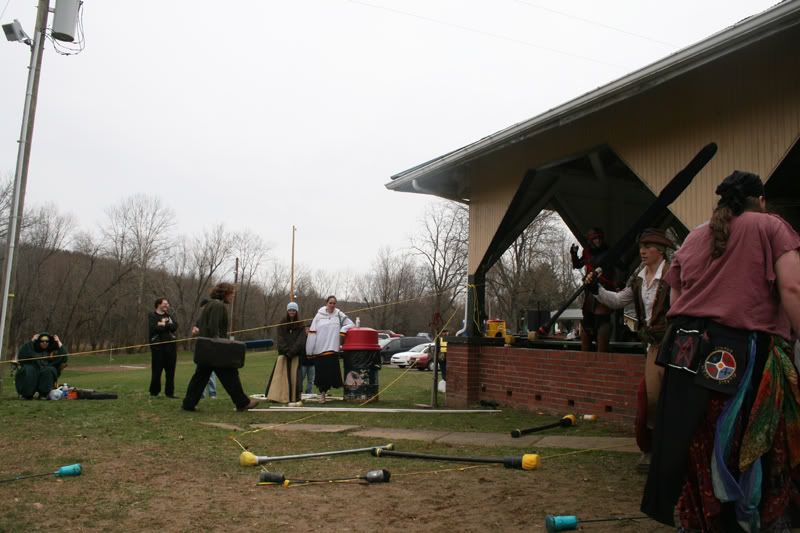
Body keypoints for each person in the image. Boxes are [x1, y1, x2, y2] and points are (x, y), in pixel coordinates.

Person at [641, 171, 800, 531]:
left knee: (694, 437)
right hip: (740, 351)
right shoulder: (770, 225)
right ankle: (743, 518)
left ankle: (698, 519)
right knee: (746, 440)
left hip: (684, 346)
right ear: (759, 200)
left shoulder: (695, 236)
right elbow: (792, 289)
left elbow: (677, 298)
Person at [588, 227, 674, 472]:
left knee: (670, 398)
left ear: (661, 250)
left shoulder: (672, 275)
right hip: (655, 346)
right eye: (640, 247)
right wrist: (596, 290)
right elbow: (617, 301)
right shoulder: (638, 280)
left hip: (676, 344)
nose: (643, 251)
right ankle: (653, 449)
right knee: (651, 398)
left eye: (648, 247)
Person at [182, 282, 258, 412]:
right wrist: (221, 345)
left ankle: (188, 404)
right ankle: (242, 402)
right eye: (232, 293)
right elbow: (213, 328)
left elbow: (200, 324)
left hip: (206, 349)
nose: (233, 296)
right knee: (230, 374)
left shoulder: (209, 304)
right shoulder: (217, 305)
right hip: (215, 349)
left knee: (200, 377)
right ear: (225, 293)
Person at [571, 227, 618, 352]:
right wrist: (574, 254)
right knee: (586, 325)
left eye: (599, 238)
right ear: (590, 241)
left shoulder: (609, 252)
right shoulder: (587, 252)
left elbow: (618, 268)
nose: (597, 241)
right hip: (589, 291)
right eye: (594, 239)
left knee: (603, 327)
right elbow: (577, 265)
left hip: (603, 289)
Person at [305, 295, 354, 403]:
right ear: (326, 303)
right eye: (330, 303)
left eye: (334, 303)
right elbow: (312, 333)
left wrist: (342, 330)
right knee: (321, 375)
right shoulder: (318, 316)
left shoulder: (339, 315)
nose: (332, 305)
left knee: (331, 374)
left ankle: (342, 395)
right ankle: (322, 395)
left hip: (332, 349)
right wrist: (309, 351)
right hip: (319, 350)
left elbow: (351, 324)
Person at [265, 301, 305, 403]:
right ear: (287, 311)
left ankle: (294, 397)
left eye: (294, 310)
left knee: (295, 378)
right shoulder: (282, 324)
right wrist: (286, 351)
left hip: (295, 356)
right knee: (280, 377)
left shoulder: (301, 325)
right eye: (290, 310)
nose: (292, 312)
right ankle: (277, 396)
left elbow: (301, 341)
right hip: (284, 355)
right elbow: (280, 339)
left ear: (296, 311)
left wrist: (292, 352)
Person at [14, 332, 68, 400]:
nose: (44, 343)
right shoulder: (32, 348)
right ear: (38, 342)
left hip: (47, 370)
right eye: (42, 341)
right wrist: (32, 341)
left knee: (49, 370)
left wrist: (58, 342)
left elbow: (64, 358)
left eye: (47, 341)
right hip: (34, 370)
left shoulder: (52, 351)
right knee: (28, 369)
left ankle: (44, 394)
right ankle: (27, 394)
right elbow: (22, 356)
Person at [148, 297, 178, 398]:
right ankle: (154, 392)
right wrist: (165, 324)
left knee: (170, 372)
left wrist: (163, 324)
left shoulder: (169, 316)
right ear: (158, 304)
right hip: (158, 348)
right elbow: (154, 328)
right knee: (156, 371)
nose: (167, 305)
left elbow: (175, 327)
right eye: (164, 304)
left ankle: (170, 393)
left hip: (171, 348)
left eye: (167, 304)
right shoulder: (152, 315)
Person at [192, 299, 217, 399]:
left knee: (211, 372)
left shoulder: (214, 318)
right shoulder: (200, 319)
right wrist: (195, 331)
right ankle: (201, 394)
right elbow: (194, 331)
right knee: (200, 372)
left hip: (212, 347)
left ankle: (212, 394)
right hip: (201, 348)